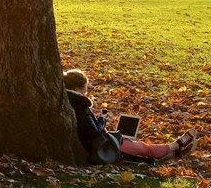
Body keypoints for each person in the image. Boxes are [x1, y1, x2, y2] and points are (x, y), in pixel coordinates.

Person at [64, 69, 198, 162]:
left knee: (136, 146)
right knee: (144, 148)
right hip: (102, 146)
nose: (86, 93)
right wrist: (102, 119)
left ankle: (175, 154)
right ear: (77, 89)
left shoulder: (70, 102)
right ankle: (176, 145)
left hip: (99, 144)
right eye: (85, 90)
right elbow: (94, 133)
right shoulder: (80, 106)